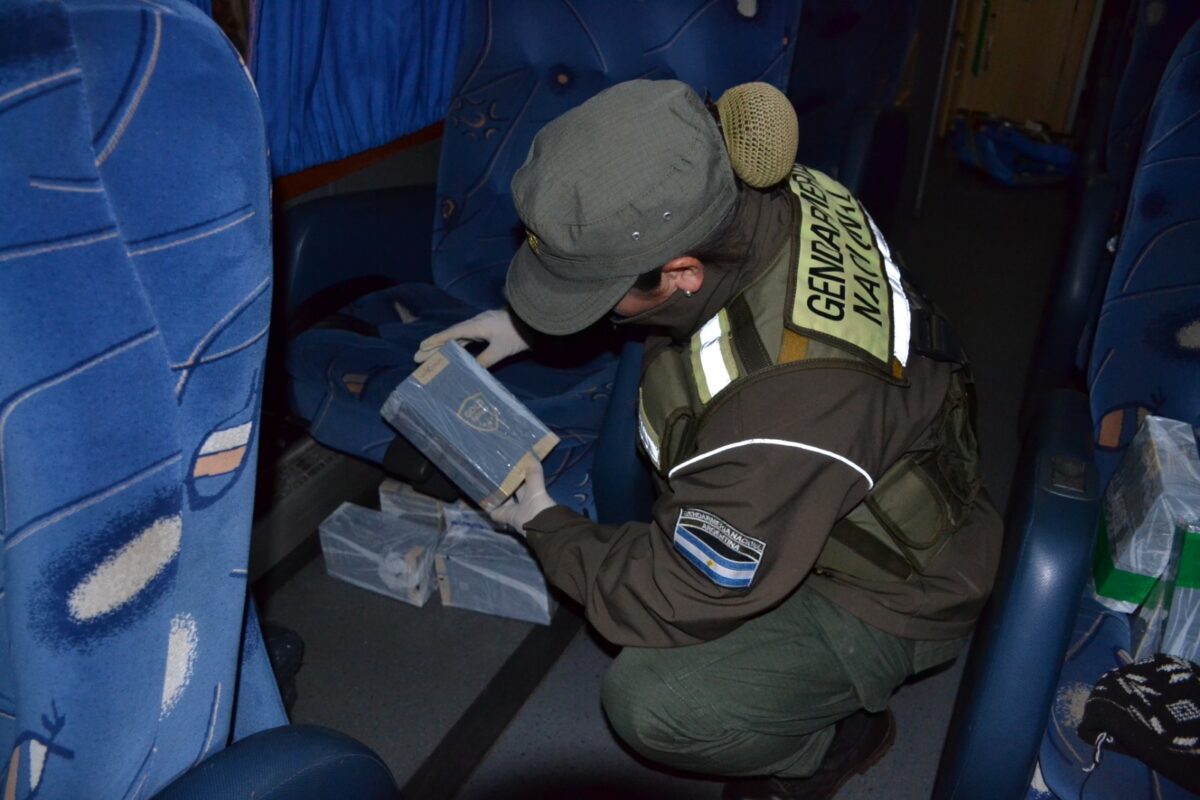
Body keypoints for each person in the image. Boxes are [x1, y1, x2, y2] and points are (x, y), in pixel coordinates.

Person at [415, 79, 1002, 800]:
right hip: (843, 471)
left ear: (683, 273)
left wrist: (542, 523)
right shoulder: (756, 189)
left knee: (657, 703)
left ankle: (835, 740)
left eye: (598, 295)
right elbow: (664, 292)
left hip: (888, 583)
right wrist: (525, 326)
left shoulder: (789, 410)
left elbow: (679, 588)